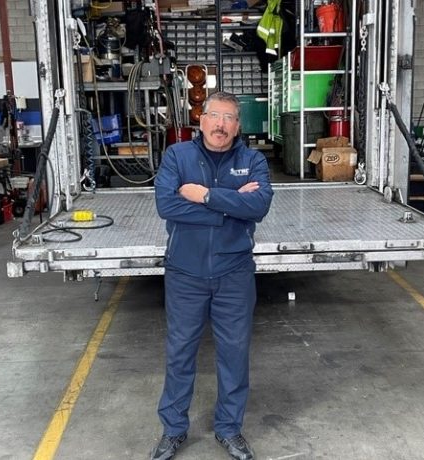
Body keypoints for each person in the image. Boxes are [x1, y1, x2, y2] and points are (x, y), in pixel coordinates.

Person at [151, 91, 273, 460]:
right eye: (214, 116)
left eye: (229, 118)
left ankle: (229, 428)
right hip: (185, 273)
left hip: (234, 273)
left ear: (238, 127)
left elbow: (259, 206)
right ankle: (173, 429)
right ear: (200, 119)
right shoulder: (177, 156)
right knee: (180, 352)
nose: (221, 125)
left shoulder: (252, 160)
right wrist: (230, 205)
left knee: (234, 354)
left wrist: (205, 196)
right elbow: (166, 204)